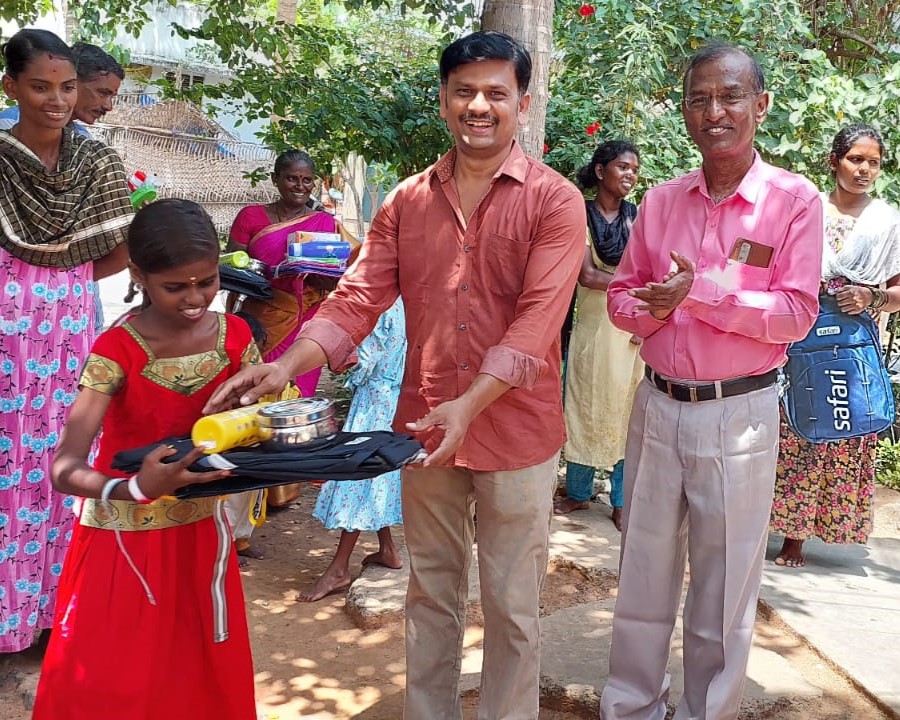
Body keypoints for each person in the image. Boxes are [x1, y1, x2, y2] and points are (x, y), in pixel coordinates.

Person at [205, 30, 586, 720]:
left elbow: (537, 323)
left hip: (517, 432)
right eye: (464, 92)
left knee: (513, 606)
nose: (478, 106)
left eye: (495, 93)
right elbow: (356, 298)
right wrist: (285, 364)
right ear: (443, 100)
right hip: (425, 428)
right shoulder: (407, 200)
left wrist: (471, 404)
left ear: (522, 104)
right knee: (431, 593)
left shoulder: (555, 201)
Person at [599, 43, 823, 720]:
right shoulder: (661, 201)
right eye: (699, 99)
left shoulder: (794, 202)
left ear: (762, 104)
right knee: (642, 570)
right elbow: (622, 297)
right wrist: (652, 305)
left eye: (730, 96)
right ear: (685, 112)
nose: (714, 111)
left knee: (723, 587)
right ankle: (632, 707)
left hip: (740, 414)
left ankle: (707, 712)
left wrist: (696, 295)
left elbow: (795, 314)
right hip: (657, 403)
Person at [32, 199, 258, 719]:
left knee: (196, 671)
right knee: (117, 675)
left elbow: (253, 424)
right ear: (138, 275)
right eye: (175, 287)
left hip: (200, 532)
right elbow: (64, 467)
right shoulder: (117, 350)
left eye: (207, 282)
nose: (195, 298)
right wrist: (134, 488)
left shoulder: (237, 338)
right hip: (124, 540)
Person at [0, 28, 133, 654]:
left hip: (69, 330)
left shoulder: (96, 162)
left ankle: (55, 613)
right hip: (6, 334)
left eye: (67, 87)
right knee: (8, 467)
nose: (56, 100)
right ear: (11, 87)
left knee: (64, 455)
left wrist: (59, 274)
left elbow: (121, 247)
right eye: (39, 87)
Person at [771, 123, 900, 569]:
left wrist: (870, 296)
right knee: (797, 425)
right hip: (802, 334)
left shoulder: (887, 222)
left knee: (844, 422)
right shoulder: (808, 211)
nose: (864, 170)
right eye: (855, 159)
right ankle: (788, 532)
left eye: (873, 163)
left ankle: (810, 532)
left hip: (853, 343)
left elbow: (897, 292)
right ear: (834, 161)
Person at [227, 148, 345, 514]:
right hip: (261, 319)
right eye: (292, 178)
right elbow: (231, 266)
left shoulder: (324, 222)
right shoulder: (251, 217)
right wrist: (267, 272)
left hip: (305, 323)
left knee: (296, 405)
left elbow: (336, 276)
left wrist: (320, 273)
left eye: (307, 180)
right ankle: (246, 484)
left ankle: (281, 489)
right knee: (254, 397)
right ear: (276, 179)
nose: (300, 186)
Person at [556, 140, 642, 530]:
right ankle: (578, 492)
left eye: (635, 170)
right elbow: (587, 275)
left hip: (630, 331)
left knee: (627, 412)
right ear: (601, 170)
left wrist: (645, 314)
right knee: (582, 406)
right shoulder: (580, 215)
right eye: (623, 167)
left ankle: (621, 500)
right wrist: (633, 287)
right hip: (593, 329)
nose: (630, 175)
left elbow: (651, 270)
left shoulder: (638, 219)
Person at [298, 298, 406, 602]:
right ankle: (388, 549)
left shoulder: (380, 309)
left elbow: (366, 363)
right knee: (377, 477)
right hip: (394, 401)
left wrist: (340, 359)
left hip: (373, 402)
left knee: (357, 479)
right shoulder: (408, 302)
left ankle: (339, 568)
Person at [0, 41, 124, 133]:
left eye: (112, 97)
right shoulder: (7, 126)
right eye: (103, 93)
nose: (108, 106)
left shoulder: (82, 138)